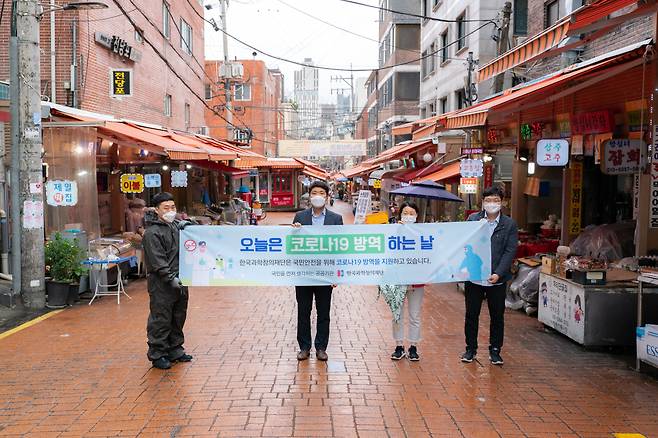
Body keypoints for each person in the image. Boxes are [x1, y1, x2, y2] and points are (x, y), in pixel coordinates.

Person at [461, 186, 518, 366]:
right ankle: (470, 349)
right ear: (482, 202)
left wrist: (499, 273)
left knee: (497, 316)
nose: (492, 204)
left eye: (496, 200)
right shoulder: (473, 219)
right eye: (488, 200)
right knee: (472, 315)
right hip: (475, 278)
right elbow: (462, 243)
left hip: (497, 280)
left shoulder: (509, 224)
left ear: (502, 202)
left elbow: (510, 251)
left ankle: (495, 350)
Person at [292, 180, 344, 361]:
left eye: (321, 193)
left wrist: (336, 273)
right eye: (314, 192)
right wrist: (295, 232)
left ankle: (321, 347)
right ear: (309, 196)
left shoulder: (336, 219)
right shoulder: (300, 217)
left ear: (327, 196)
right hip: (304, 274)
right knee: (303, 312)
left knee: (323, 313)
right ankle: (304, 347)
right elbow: (293, 245)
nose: (318, 196)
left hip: (325, 274)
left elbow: (340, 247)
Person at [143, 192, 194, 370]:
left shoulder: (175, 227)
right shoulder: (152, 233)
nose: (170, 211)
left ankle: (175, 349)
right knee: (161, 318)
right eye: (166, 208)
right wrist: (169, 277)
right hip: (161, 283)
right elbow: (157, 260)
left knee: (178, 315)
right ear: (156, 210)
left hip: (181, 279)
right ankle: (158, 354)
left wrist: (189, 227)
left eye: (173, 207)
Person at [390, 202, 425, 362]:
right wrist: (398, 229)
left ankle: (413, 347)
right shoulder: (393, 230)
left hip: (417, 281)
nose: (408, 215)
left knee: (415, 315)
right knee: (397, 315)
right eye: (405, 212)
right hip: (397, 280)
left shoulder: (423, 233)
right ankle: (399, 345)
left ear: (417, 216)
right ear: (400, 215)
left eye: (412, 213)